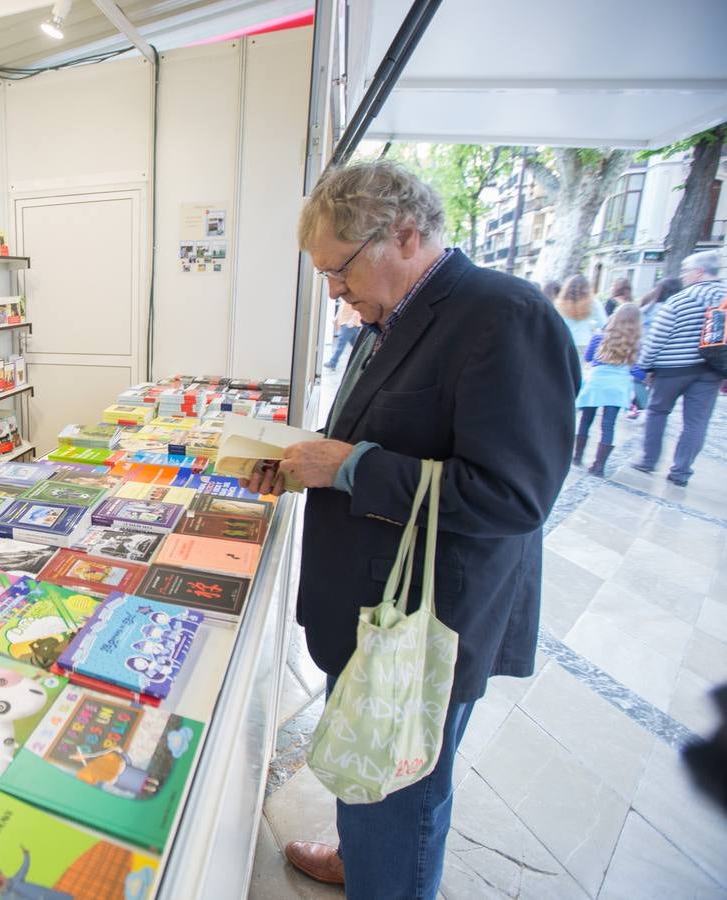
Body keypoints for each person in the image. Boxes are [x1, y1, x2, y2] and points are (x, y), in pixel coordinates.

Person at [246, 160, 579, 899]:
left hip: (423, 620)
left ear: (402, 235)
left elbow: (512, 498)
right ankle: (364, 850)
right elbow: (381, 437)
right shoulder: (387, 315)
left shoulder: (505, 317)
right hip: (367, 612)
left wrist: (353, 467)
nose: (334, 291)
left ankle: (386, 874)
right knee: (373, 760)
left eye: (339, 271)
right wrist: (302, 460)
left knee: (406, 788)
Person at [632, 249, 726, 486]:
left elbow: (657, 337)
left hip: (673, 368)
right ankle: (681, 471)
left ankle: (649, 459)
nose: (683, 276)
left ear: (699, 272)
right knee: (696, 423)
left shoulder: (681, 299)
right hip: (711, 371)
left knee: (657, 411)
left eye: (686, 271)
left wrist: (644, 366)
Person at [574, 304, 642, 476]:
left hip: (596, 384)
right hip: (617, 389)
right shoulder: (635, 345)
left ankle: (577, 456)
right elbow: (638, 371)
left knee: (585, 421)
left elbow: (589, 357)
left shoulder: (599, 338)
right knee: (608, 426)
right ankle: (599, 466)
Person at [628, 277, 683, 418]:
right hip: (670, 357)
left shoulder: (650, 308)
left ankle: (641, 408)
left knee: (639, 380)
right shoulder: (680, 309)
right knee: (656, 387)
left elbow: (638, 331)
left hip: (646, 351)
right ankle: (645, 408)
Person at [554, 273, 606, 353]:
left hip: (564, 342)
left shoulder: (559, 304)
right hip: (585, 343)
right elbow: (604, 324)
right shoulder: (594, 304)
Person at [323, 299, 363, 370]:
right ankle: (361, 361)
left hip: (349, 325)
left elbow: (357, 310)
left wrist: (351, 322)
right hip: (347, 323)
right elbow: (341, 308)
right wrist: (336, 319)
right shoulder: (344, 298)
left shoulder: (353, 296)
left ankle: (333, 363)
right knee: (357, 346)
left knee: (341, 345)